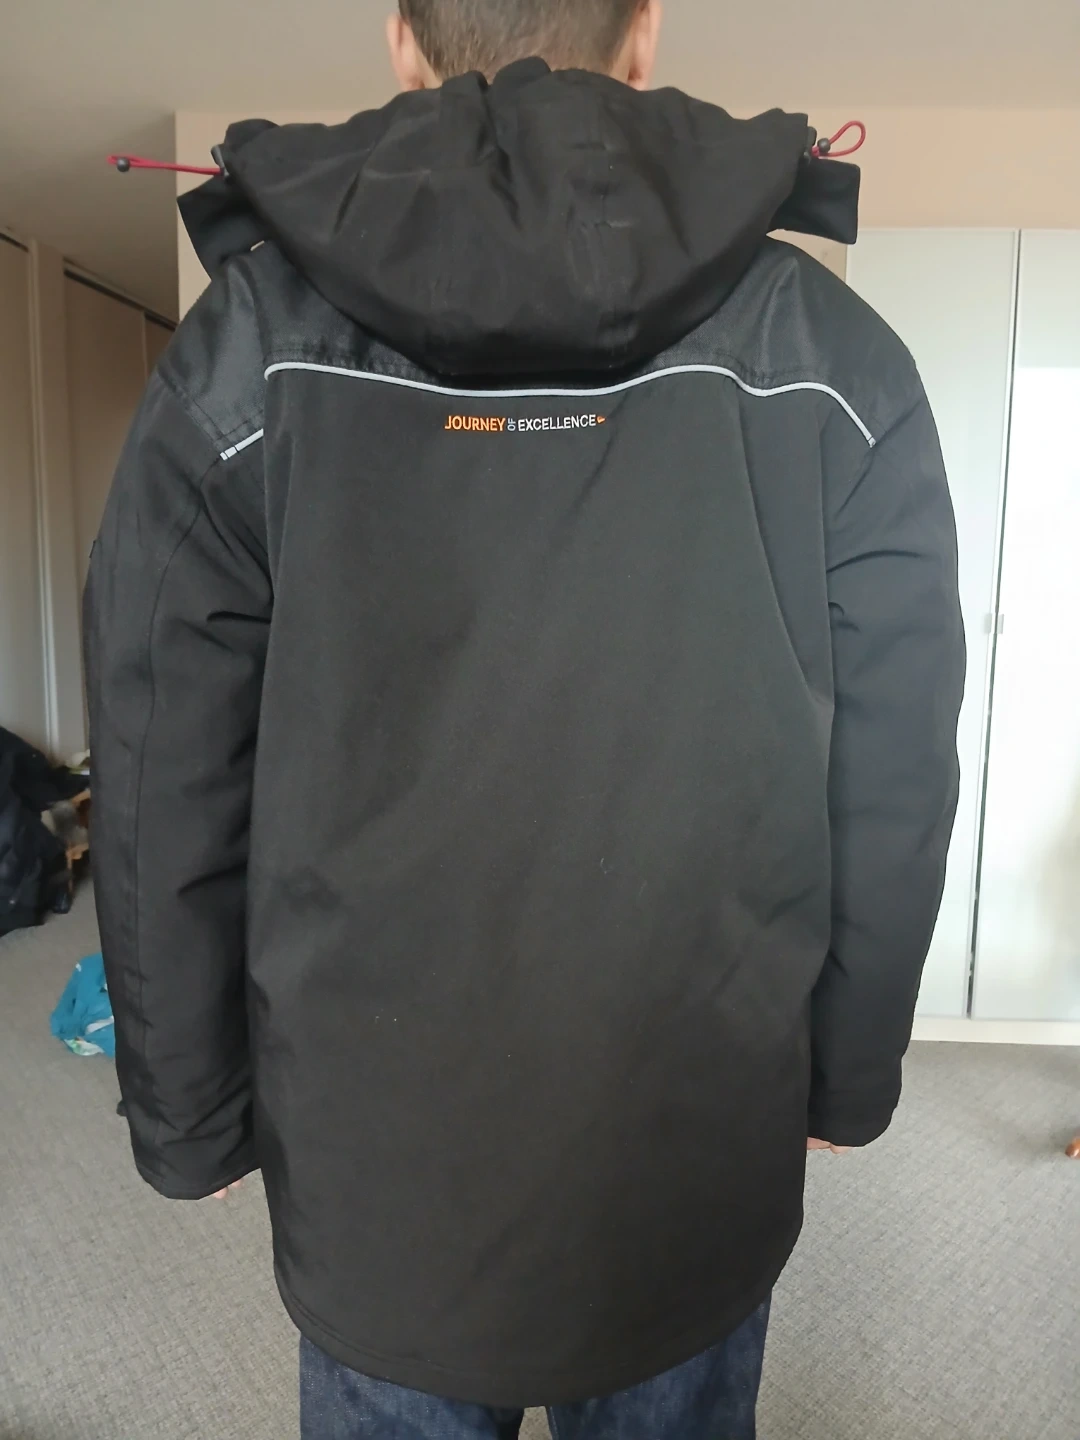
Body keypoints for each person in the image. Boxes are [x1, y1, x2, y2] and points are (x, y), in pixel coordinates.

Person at [85, 2, 966, 1436]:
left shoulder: (241, 358)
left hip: (382, 1183)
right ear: (644, 32)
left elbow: (154, 769)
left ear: (402, 39)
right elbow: (896, 770)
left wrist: (190, 1111)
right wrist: (848, 1072)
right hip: (695, 1141)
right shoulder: (833, 357)